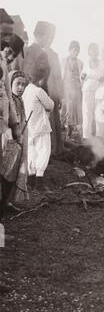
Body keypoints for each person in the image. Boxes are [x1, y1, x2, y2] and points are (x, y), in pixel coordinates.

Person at [0, 35, 24, 223]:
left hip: (3, 124)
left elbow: (7, 95)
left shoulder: (6, 68)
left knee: (5, 166)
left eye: (13, 56)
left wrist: (15, 125)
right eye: (9, 52)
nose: (10, 57)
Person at [23, 63, 54, 191]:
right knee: (44, 151)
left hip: (29, 127)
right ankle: (39, 181)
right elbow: (50, 105)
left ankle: (30, 179)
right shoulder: (39, 91)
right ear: (41, 79)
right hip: (41, 127)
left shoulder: (26, 91)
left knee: (32, 152)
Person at [0, 71, 29, 209]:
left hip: (18, 144)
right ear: (10, 83)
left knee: (14, 172)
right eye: (18, 84)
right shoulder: (7, 101)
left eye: (23, 85)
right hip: (8, 143)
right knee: (5, 172)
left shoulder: (20, 101)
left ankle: (7, 202)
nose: (21, 88)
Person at [43, 23, 64, 156]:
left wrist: (60, 95)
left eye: (52, 37)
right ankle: (48, 150)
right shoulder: (36, 52)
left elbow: (58, 76)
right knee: (46, 122)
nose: (50, 39)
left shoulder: (54, 54)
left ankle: (57, 149)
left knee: (56, 120)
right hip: (43, 90)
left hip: (54, 91)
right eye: (49, 36)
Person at [81, 43, 104, 139]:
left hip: (99, 91)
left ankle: (100, 134)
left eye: (95, 52)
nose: (93, 54)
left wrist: (103, 79)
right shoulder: (86, 63)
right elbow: (83, 76)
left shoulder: (102, 64)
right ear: (89, 53)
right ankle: (86, 136)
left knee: (99, 112)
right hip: (87, 90)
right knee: (87, 112)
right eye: (91, 52)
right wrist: (83, 76)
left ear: (97, 52)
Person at [61, 41, 83, 139]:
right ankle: (66, 132)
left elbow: (83, 76)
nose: (76, 52)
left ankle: (74, 132)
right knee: (67, 108)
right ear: (70, 50)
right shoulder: (64, 61)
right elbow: (62, 76)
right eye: (74, 50)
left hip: (77, 88)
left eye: (78, 51)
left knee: (76, 109)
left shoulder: (80, 63)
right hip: (67, 87)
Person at [23, 21, 50, 85]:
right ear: (44, 36)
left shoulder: (24, 51)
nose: (48, 40)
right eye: (48, 37)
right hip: (35, 91)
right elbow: (42, 82)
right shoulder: (42, 55)